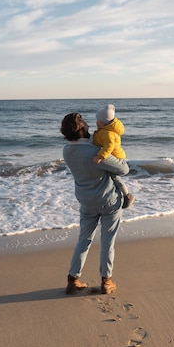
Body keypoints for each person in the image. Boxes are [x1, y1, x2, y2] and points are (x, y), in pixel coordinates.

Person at [60, 112, 130, 295]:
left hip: (86, 200)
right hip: (108, 200)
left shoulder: (66, 151)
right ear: (82, 129)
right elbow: (124, 169)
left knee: (83, 240)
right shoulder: (95, 152)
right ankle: (106, 281)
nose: (90, 128)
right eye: (86, 126)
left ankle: (72, 279)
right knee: (108, 242)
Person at [92, 104, 135, 208]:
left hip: (117, 158)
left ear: (102, 122)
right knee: (111, 177)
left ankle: (127, 196)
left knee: (115, 177)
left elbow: (109, 146)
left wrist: (100, 156)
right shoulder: (105, 130)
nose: (96, 122)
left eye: (97, 120)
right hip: (115, 156)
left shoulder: (108, 133)